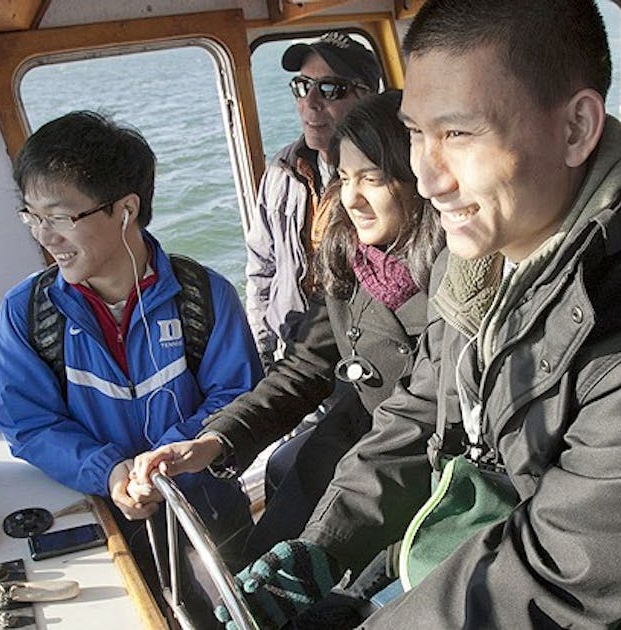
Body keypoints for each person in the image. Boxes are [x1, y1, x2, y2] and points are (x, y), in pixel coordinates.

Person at [227, 1, 621, 628]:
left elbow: (554, 579)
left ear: (575, 128)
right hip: (470, 551)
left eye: (458, 134)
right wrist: (318, 551)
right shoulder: (489, 251)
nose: (427, 179)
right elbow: (417, 413)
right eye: (415, 133)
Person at [131, 90, 443, 563]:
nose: (352, 198)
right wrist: (214, 441)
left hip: (423, 473)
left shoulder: (455, 279)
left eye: (372, 178)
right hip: (350, 439)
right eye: (343, 177)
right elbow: (305, 369)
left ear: (418, 178)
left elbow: (425, 419)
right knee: (262, 562)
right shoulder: (348, 256)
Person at [0, 111, 262, 586]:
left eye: (59, 217)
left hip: (212, 515)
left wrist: (168, 460)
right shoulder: (26, 312)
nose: (44, 236)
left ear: (125, 209)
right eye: (32, 216)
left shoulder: (203, 295)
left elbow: (238, 397)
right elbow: (27, 422)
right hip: (106, 521)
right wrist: (110, 472)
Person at [247, 31, 382, 367]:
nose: (310, 102)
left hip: (362, 356)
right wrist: (262, 351)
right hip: (292, 351)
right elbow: (262, 266)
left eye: (328, 89)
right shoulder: (281, 171)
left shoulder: (390, 179)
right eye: (301, 86)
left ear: (365, 97)